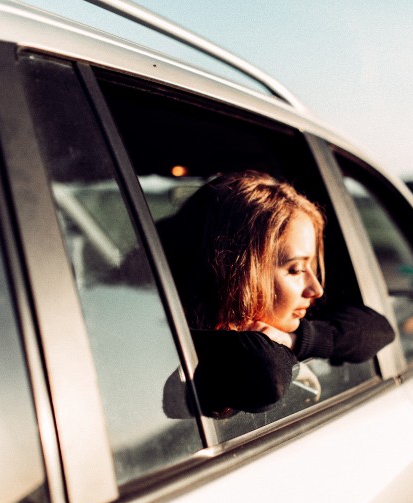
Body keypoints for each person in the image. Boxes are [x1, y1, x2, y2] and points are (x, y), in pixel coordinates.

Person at [158, 170, 394, 417]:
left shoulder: (280, 318)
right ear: (237, 272)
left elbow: (379, 330)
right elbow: (266, 375)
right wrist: (275, 344)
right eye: (295, 269)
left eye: (310, 267)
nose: (316, 289)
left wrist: (294, 339)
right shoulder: (182, 345)